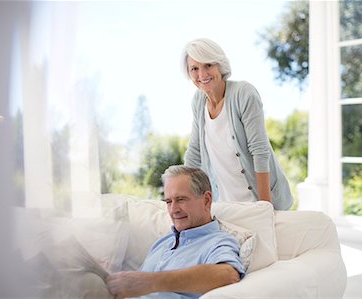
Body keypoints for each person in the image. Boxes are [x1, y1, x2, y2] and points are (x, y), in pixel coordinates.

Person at [181, 37, 293, 210]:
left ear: (219, 64)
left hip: (260, 199)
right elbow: (194, 153)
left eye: (208, 65)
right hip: (226, 204)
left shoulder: (243, 93)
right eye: (194, 68)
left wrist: (264, 208)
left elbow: (259, 150)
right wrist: (181, 197)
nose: (202, 74)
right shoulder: (198, 101)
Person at [106, 165, 245, 299]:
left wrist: (150, 282)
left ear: (207, 200)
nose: (173, 210)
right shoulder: (163, 242)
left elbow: (228, 275)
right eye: (168, 202)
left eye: (181, 200)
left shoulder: (219, 241)